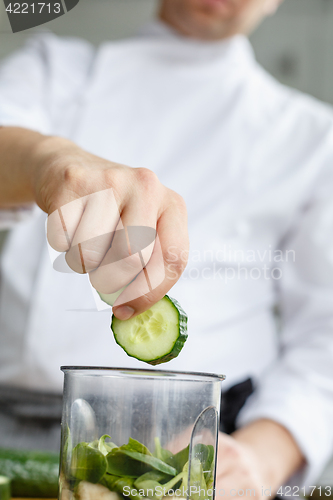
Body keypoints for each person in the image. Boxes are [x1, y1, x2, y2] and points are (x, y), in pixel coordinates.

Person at [0, 0, 333, 496]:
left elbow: (324, 338)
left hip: (193, 448)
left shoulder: (311, 136)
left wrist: (262, 458)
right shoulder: (55, 68)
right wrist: (52, 160)